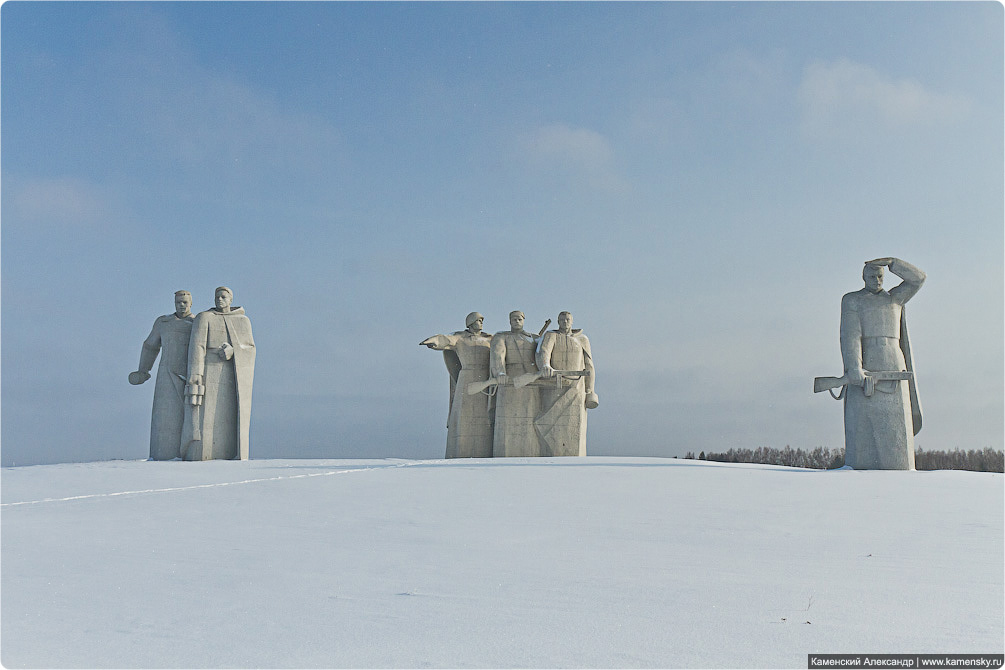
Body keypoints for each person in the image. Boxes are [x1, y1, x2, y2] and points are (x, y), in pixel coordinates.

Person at [840, 257, 924, 469]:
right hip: (867, 364)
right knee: (863, 433)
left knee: (898, 434)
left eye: (880, 276)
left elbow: (918, 279)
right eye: (871, 276)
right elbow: (850, 336)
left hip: (895, 364)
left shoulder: (895, 298)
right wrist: (854, 368)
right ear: (863, 277)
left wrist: (893, 263)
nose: (876, 280)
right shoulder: (852, 300)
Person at [183, 286, 256, 460]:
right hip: (208, 372)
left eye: (223, 297)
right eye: (217, 296)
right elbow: (197, 346)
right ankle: (203, 454)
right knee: (204, 417)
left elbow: (250, 348)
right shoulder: (204, 317)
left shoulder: (242, 321)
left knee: (229, 417)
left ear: (231, 300)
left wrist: (234, 351)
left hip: (231, 376)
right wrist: (196, 375)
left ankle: (230, 453)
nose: (219, 300)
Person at [129, 291, 195, 460]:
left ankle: (188, 454)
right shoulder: (163, 322)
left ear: (191, 303)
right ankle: (161, 456)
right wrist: (143, 370)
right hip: (165, 375)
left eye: (185, 302)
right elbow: (151, 346)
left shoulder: (197, 324)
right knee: (164, 418)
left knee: (188, 419)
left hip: (189, 377)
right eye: (178, 302)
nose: (181, 305)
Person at [420, 312, 494, 458]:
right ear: (470, 323)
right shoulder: (460, 338)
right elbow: (446, 339)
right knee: (464, 416)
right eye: (478, 320)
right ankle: (462, 451)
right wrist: (434, 341)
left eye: (482, 320)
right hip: (467, 377)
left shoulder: (490, 339)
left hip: (485, 378)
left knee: (485, 417)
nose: (481, 323)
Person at [536, 311, 598, 457]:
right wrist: (545, 366)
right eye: (562, 319)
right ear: (558, 321)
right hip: (554, 385)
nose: (565, 322)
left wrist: (590, 390)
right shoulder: (551, 336)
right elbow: (543, 353)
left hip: (576, 388)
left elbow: (589, 365)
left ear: (572, 321)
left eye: (568, 319)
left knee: (574, 425)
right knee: (548, 424)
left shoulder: (582, 339)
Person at [490, 311, 547, 457]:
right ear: (509, 321)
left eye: (519, 319)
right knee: (508, 421)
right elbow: (498, 356)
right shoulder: (501, 337)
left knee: (530, 419)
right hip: (510, 381)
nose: (517, 321)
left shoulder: (534, 338)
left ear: (524, 320)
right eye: (514, 319)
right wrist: (500, 373)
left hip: (530, 381)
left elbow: (543, 353)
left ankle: (532, 452)